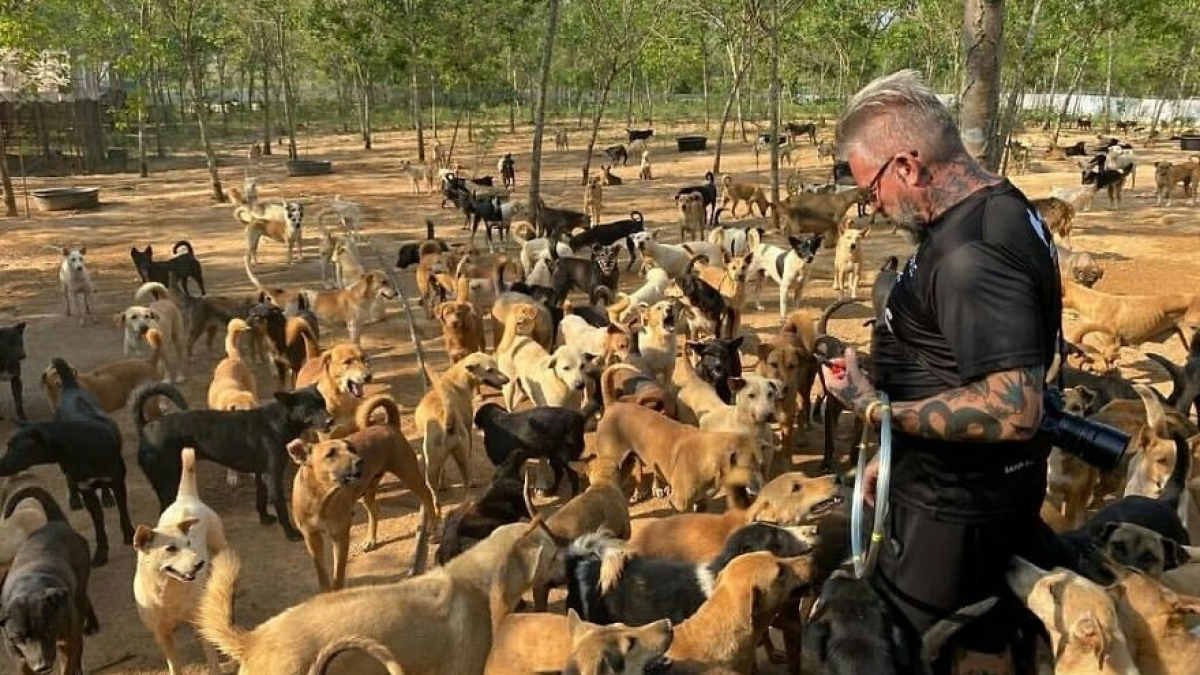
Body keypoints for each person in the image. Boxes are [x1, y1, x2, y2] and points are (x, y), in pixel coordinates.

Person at [823, 70, 1062, 674]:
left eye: (869, 190)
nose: (871, 208)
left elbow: (1013, 408)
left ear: (906, 165)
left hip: (955, 520)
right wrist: (892, 446)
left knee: (920, 658)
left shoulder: (971, 255)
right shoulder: (993, 211)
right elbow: (953, 364)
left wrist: (878, 413)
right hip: (947, 492)